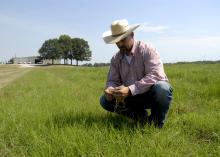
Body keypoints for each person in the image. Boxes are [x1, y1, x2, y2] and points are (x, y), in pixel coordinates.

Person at [100, 19, 173, 128]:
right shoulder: (116, 59)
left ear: (132, 35)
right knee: (104, 101)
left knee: (162, 88)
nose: (120, 44)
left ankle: (156, 124)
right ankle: (141, 118)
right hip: (130, 98)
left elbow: (156, 75)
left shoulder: (147, 50)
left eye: (123, 40)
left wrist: (130, 90)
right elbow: (112, 80)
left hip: (150, 95)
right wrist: (110, 89)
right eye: (116, 41)